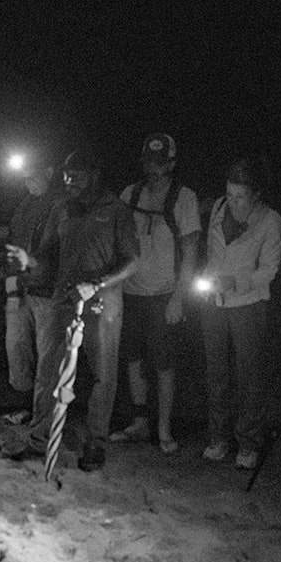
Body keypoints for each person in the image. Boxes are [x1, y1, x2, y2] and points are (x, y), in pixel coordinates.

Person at [5, 149, 139, 472]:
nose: (69, 183)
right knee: (49, 368)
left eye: (75, 177)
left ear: (93, 175)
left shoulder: (116, 211)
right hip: (63, 299)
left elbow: (133, 261)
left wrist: (98, 284)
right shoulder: (62, 208)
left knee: (100, 373)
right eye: (65, 177)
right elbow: (48, 253)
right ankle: (40, 437)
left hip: (101, 302)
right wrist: (30, 262)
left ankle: (95, 441)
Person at [109, 133, 201, 453]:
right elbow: (117, 241)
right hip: (131, 292)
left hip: (164, 293)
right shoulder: (130, 194)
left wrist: (179, 296)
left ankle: (164, 428)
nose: (155, 170)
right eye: (149, 163)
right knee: (132, 358)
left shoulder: (184, 198)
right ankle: (139, 422)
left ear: (173, 164)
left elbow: (190, 253)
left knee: (164, 363)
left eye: (161, 164)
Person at [196, 157, 281, 470]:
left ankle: (248, 442)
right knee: (216, 372)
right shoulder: (219, 208)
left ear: (256, 195)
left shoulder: (270, 221)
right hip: (214, 302)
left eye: (240, 196)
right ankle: (218, 438)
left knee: (249, 376)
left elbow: (269, 271)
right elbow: (210, 251)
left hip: (249, 305)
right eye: (229, 194)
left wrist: (236, 282)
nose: (233, 202)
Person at [2, 158, 64, 427]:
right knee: (16, 347)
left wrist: (33, 262)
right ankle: (24, 405)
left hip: (49, 292)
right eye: (25, 178)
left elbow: (58, 251)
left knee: (48, 359)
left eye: (33, 177)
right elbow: (13, 247)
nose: (29, 183)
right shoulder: (24, 206)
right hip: (23, 289)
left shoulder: (61, 205)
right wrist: (12, 283)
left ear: (49, 172)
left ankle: (44, 417)